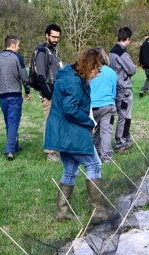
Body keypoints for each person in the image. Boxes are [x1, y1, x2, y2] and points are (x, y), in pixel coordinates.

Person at [44, 49, 110, 224]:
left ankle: (62, 213)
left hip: (62, 132)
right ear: (89, 67)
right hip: (68, 131)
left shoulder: (72, 76)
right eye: (97, 69)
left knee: (70, 169)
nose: (98, 73)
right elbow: (70, 109)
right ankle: (99, 212)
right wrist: (90, 122)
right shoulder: (73, 82)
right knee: (94, 164)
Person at [0, 35, 31, 161]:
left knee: (8, 121)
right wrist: (27, 90)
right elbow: (24, 76)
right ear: (13, 45)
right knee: (13, 122)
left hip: (1, 95)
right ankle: (10, 150)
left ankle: (14, 146)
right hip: (14, 95)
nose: (19, 47)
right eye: (18, 45)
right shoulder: (17, 58)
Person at [34, 23, 62, 161]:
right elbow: (40, 76)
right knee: (50, 121)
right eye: (53, 36)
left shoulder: (54, 51)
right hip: (49, 93)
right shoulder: (42, 51)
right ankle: (50, 152)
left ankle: (56, 149)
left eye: (57, 37)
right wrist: (49, 94)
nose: (56, 39)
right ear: (47, 35)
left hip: (57, 92)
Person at [109, 27, 137, 153]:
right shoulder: (122, 53)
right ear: (128, 39)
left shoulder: (111, 52)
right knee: (124, 117)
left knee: (116, 116)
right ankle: (121, 143)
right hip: (124, 88)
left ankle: (122, 140)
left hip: (114, 87)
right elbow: (132, 69)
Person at [90, 48, 117, 163]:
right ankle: (107, 157)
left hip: (92, 106)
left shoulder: (89, 71)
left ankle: (94, 154)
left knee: (94, 131)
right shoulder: (111, 72)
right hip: (108, 105)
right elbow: (114, 90)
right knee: (106, 132)